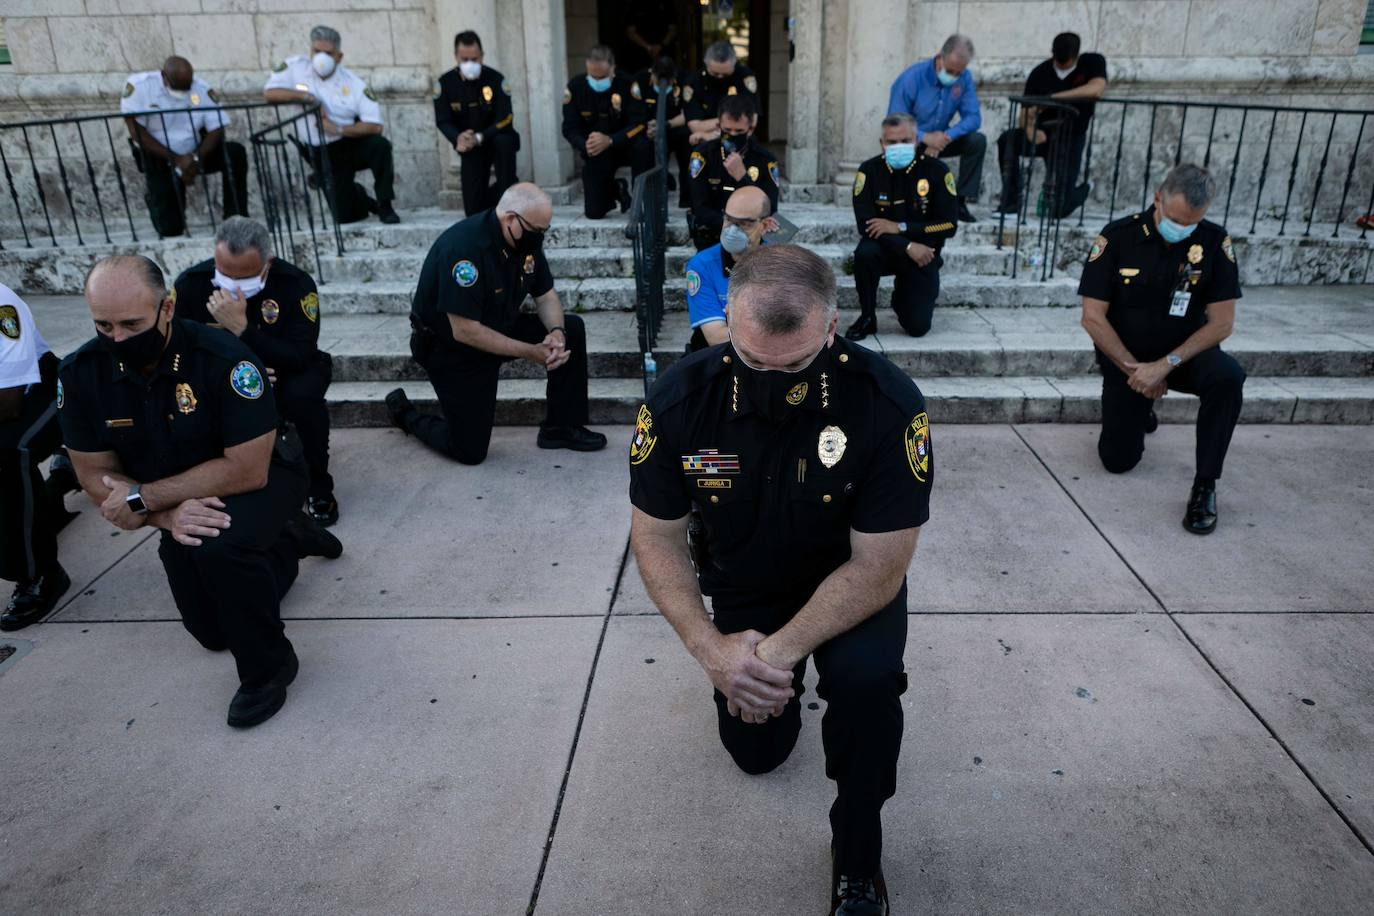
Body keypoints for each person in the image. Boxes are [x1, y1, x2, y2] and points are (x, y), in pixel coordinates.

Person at [629, 244, 931, 916]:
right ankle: (771, 701)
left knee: (867, 685)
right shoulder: (681, 400)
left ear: (832, 328)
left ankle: (858, 855)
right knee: (757, 753)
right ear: (727, 319)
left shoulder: (885, 403)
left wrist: (774, 656)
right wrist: (716, 653)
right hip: (745, 582)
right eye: (751, 359)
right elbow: (655, 536)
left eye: (792, 364)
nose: (768, 380)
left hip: (849, 585)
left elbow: (881, 564)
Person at [57, 256, 341, 728]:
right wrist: (165, 515)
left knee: (218, 547)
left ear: (166, 307)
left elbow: (246, 469)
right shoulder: (82, 373)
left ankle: (269, 668)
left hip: (266, 475)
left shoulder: (224, 358)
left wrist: (147, 498)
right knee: (213, 631)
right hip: (174, 497)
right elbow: (95, 474)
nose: (117, 339)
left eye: (131, 323)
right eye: (103, 325)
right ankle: (286, 543)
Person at [385, 183, 607, 463]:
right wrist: (531, 352)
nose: (541, 237)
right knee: (469, 451)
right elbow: (465, 331)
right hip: (452, 348)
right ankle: (405, 415)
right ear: (510, 219)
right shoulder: (465, 250)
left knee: (571, 328)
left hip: (497, 325)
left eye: (545, 230)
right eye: (537, 230)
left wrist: (556, 333)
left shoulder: (524, 239)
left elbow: (546, 295)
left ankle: (561, 427)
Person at [1078, 164, 1244, 534]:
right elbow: (1092, 318)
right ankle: (1141, 407)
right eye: (1174, 219)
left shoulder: (1215, 243)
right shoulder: (1118, 237)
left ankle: (1205, 486)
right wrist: (1137, 372)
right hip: (1128, 361)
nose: (1182, 229)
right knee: (1117, 460)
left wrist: (1165, 365)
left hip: (1183, 357)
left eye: (1192, 223)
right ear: (1157, 198)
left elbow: (1222, 323)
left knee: (1228, 377)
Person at [172, 217, 338, 527]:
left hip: (286, 372)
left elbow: (300, 354)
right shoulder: (191, 286)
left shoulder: (294, 284)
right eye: (225, 274)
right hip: (222, 377)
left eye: (244, 276)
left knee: (303, 396)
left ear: (267, 262)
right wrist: (241, 371)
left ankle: (318, 485)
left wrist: (243, 329)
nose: (233, 285)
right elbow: (180, 352)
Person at [263, 25, 399, 225]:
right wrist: (306, 98)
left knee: (380, 145)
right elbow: (269, 93)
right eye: (317, 52)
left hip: (346, 142)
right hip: (319, 151)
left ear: (339, 56)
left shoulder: (353, 83)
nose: (321, 58)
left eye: (328, 53)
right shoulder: (296, 67)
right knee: (345, 217)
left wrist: (339, 129)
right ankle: (361, 196)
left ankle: (385, 204)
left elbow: (375, 125)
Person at [847, 114, 959, 341]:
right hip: (886, 249)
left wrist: (901, 227)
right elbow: (865, 225)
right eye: (892, 143)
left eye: (905, 141)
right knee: (864, 254)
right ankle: (867, 317)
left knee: (917, 327)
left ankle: (903, 296)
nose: (899, 147)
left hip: (923, 255)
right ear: (882, 144)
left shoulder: (937, 171)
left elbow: (949, 225)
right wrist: (907, 245)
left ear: (917, 140)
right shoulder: (869, 171)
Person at [0, 284, 70, 632]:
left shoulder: (2, 305)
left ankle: (41, 572)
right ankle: (56, 487)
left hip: (41, 389)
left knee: (10, 453)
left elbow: (9, 403)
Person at [120, 56, 247, 239]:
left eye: (185, 87)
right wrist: (177, 159)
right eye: (177, 87)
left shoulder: (200, 88)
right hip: (158, 155)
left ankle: (235, 218)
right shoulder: (140, 86)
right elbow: (136, 131)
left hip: (194, 151)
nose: (182, 91)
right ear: (163, 75)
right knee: (171, 229)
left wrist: (194, 158)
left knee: (234, 153)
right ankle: (156, 199)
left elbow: (216, 127)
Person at [996, 32, 1106, 218]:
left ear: (1077, 56)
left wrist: (1052, 99)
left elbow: (1096, 89)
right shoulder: (1041, 73)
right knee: (1008, 140)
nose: (1062, 65)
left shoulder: (1092, 62)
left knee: (1059, 208)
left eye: (1067, 63)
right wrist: (1031, 131)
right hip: (1044, 134)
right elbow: (1025, 112)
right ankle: (1011, 200)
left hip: (1071, 137)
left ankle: (1084, 189)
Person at [887, 34, 985, 223]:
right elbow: (895, 121)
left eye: (958, 72)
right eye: (950, 70)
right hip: (911, 140)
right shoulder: (911, 79)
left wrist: (945, 136)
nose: (954, 76)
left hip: (940, 140)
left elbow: (973, 117)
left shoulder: (964, 78)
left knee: (977, 141)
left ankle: (960, 202)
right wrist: (925, 137)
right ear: (939, 57)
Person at [561, 45, 654, 220]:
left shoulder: (627, 84)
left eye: (602, 76)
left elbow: (639, 123)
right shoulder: (576, 87)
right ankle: (616, 188)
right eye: (593, 76)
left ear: (613, 68)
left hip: (625, 144)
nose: (597, 80)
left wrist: (611, 140)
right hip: (596, 150)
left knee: (643, 146)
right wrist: (585, 145)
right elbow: (569, 128)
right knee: (594, 212)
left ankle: (642, 201)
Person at [434, 30, 520, 217]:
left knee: (504, 142)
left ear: (482, 56)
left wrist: (481, 137)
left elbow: (506, 117)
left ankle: (508, 193)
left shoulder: (496, 79)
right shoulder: (445, 83)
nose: (470, 64)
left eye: (475, 58)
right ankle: (501, 193)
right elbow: (443, 119)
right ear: (456, 57)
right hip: (470, 146)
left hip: (495, 139)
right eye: (465, 59)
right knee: (473, 210)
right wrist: (458, 138)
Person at [684, 186, 774, 351]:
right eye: (729, 220)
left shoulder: (780, 264)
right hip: (719, 361)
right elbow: (717, 337)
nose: (732, 230)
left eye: (744, 224)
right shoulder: (702, 266)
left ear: (765, 225)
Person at [687, 93, 779, 252]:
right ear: (718, 127)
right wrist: (732, 227)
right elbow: (699, 207)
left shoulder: (765, 160)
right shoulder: (703, 155)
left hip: (751, 236)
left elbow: (769, 208)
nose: (733, 136)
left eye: (739, 131)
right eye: (727, 130)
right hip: (713, 233)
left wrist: (743, 178)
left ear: (750, 130)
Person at [632, 56, 692, 209]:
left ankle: (687, 196)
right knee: (641, 147)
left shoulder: (686, 80)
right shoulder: (640, 80)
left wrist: (665, 124)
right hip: (649, 128)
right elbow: (635, 110)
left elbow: (689, 113)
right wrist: (648, 127)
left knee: (687, 142)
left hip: (675, 127)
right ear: (652, 73)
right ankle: (644, 197)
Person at [684, 40, 759, 144]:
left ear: (734, 64)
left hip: (740, 140)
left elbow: (752, 121)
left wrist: (716, 133)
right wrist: (735, 122)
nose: (720, 78)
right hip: (705, 143)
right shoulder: (694, 82)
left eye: (725, 75)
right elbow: (695, 127)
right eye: (715, 74)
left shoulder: (744, 77)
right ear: (706, 64)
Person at [624, 1, 678, 73]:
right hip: (640, 57)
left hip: (664, 55)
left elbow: (673, 30)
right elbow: (630, 32)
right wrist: (648, 47)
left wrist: (660, 46)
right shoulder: (635, 5)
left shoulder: (667, 4)